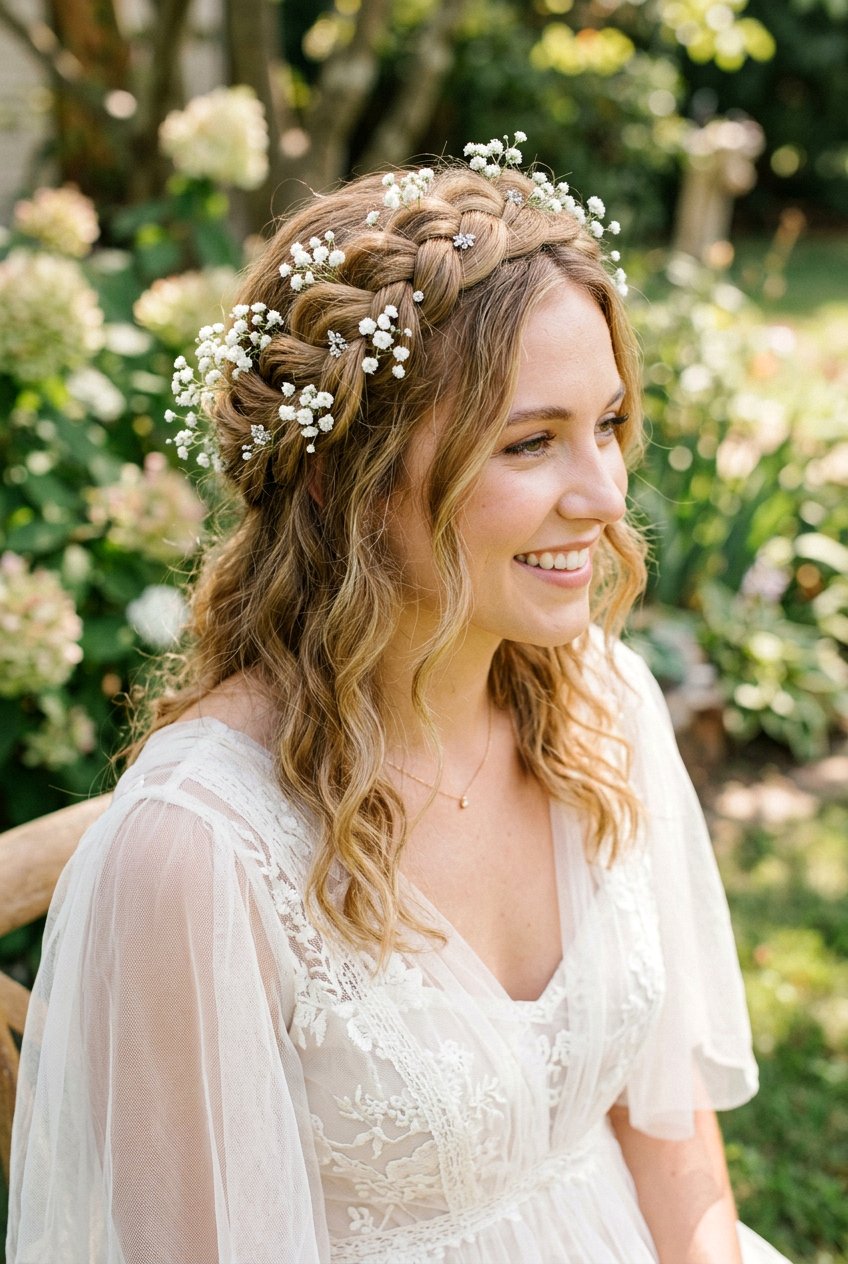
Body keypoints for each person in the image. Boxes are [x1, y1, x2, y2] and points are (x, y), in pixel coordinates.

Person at [6, 137, 793, 1264]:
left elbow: (669, 1145)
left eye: (607, 424)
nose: (604, 494)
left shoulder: (603, 703)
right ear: (344, 478)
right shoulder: (196, 854)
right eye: (530, 442)